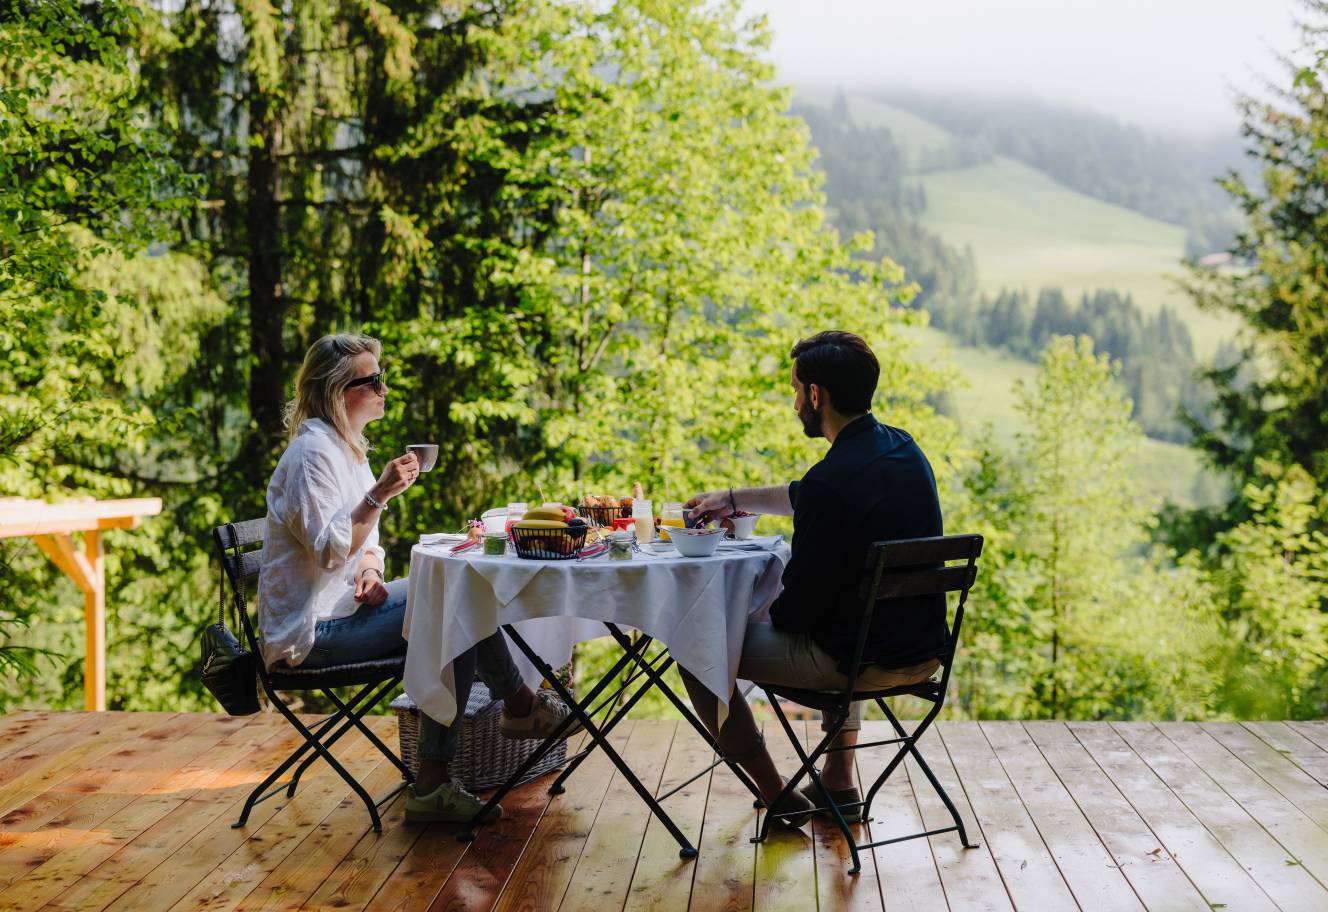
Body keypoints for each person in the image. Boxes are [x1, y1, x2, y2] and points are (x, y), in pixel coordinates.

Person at [258, 333, 577, 825]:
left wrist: (369, 572)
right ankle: (501, 719)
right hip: (310, 633)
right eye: (374, 380)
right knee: (455, 604)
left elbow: (363, 547)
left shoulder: (349, 451)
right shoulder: (311, 456)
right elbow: (327, 551)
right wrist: (380, 494)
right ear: (340, 391)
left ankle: (474, 745)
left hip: (347, 610)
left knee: (460, 591)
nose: (385, 389)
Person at [682, 330, 945, 827]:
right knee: (853, 624)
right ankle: (839, 782)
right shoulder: (902, 449)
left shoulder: (832, 482)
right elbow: (805, 492)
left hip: (861, 662)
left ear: (816, 395)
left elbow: (799, 613)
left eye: (796, 390)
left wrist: (757, 603)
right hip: (923, 651)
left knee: (698, 652)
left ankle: (776, 793)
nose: (794, 401)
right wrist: (732, 498)